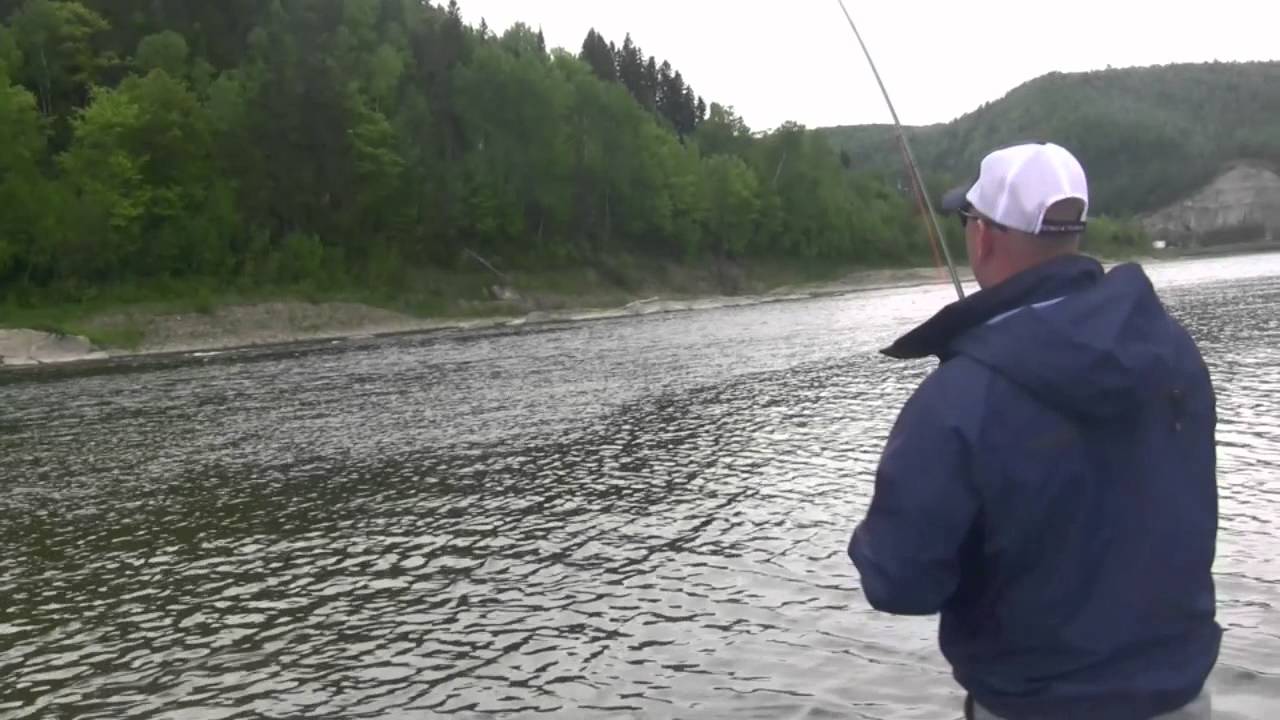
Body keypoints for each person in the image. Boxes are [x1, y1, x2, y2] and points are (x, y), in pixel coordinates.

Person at [847, 142, 1221, 720]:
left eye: (968, 217)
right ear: (1071, 235)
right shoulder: (1174, 353)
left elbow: (900, 582)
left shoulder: (957, 400)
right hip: (1182, 699)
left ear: (984, 236)